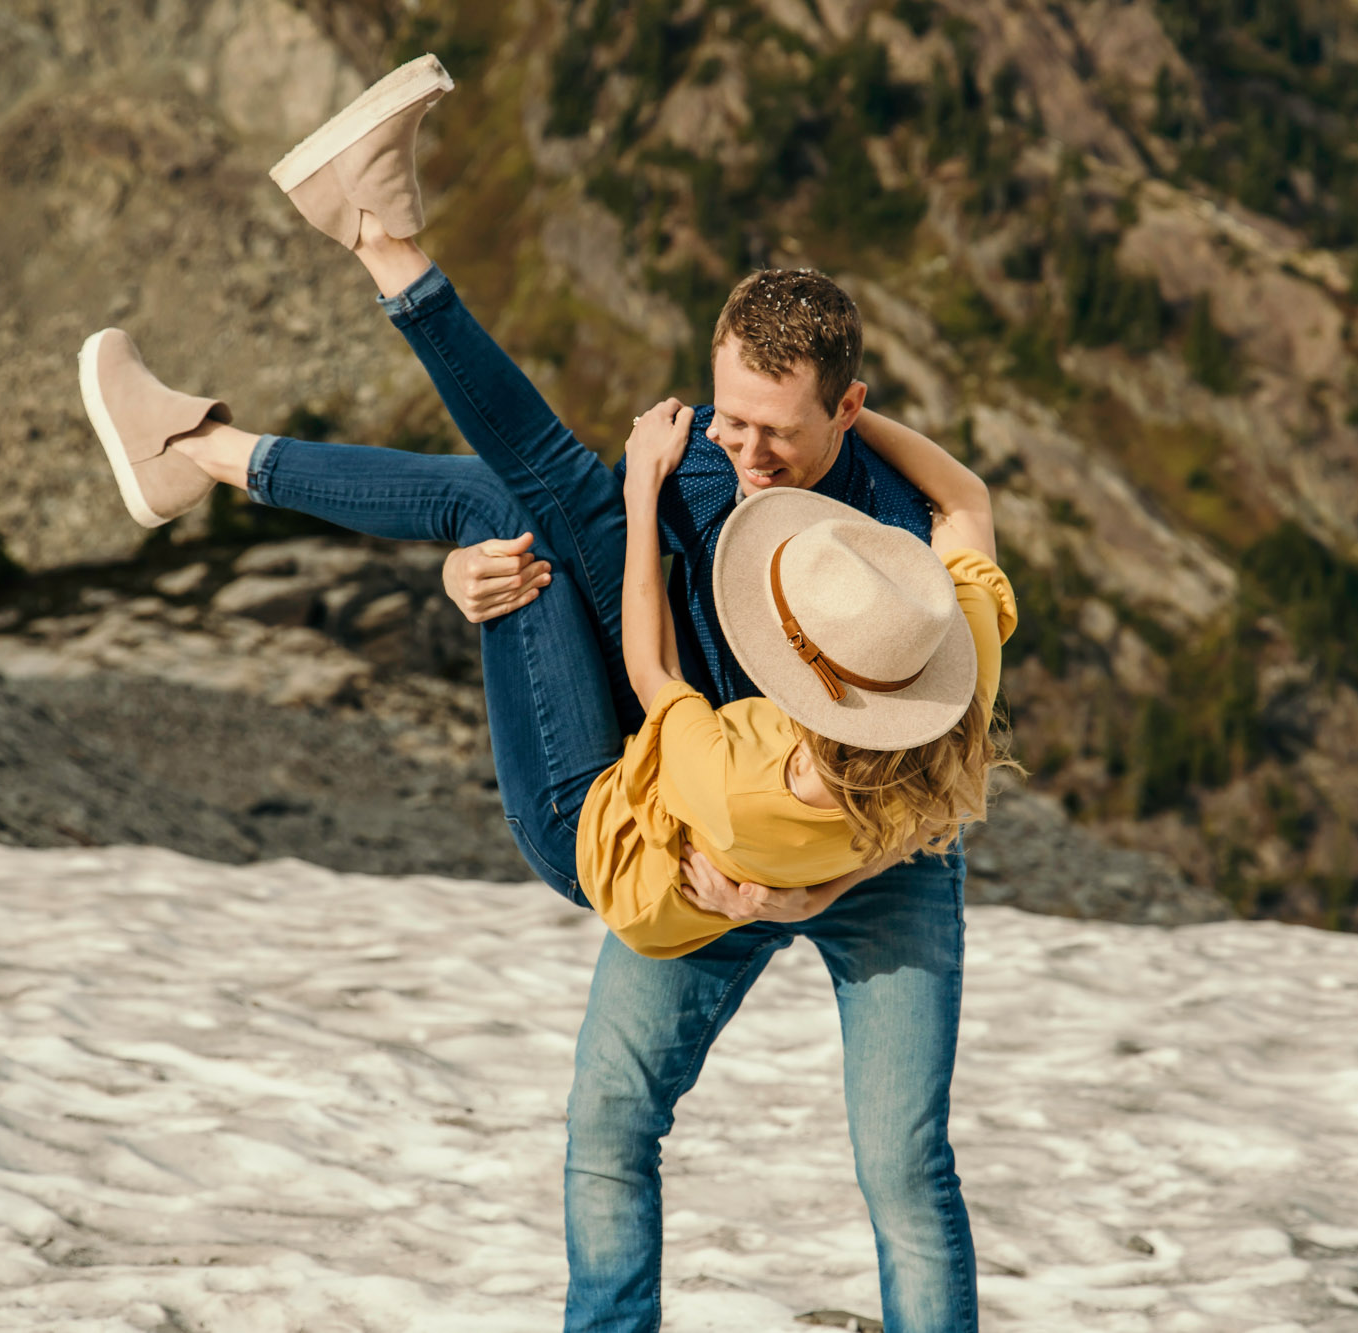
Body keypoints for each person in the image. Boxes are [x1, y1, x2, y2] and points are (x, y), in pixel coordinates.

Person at [74, 54, 1012, 1329]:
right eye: (725, 417)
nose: (741, 454)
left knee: (904, 1166)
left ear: (846, 407)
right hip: (696, 833)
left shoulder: (894, 557)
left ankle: (289, 350)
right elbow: (564, 508)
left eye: (776, 432)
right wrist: (498, 584)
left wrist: (813, 879)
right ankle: (253, 391)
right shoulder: (700, 474)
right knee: (610, 1125)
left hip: (873, 850)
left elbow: (930, 741)